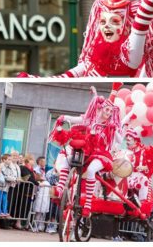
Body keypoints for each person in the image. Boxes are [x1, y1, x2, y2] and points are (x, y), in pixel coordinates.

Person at [18, 0, 153, 78]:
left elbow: (146, 12)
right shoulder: (97, 53)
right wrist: (32, 77)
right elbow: (72, 73)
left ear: (126, 25)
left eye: (115, 21)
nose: (107, 26)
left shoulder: (129, 50)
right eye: (103, 21)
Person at [51, 83, 122, 217]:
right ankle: (60, 189)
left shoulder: (110, 126)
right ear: (100, 109)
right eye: (106, 110)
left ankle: (88, 204)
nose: (108, 113)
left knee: (91, 170)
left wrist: (114, 128)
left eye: (111, 111)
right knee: (67, 160)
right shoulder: (90, 120)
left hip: (101, 155)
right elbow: (76, 119)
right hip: (87, 153)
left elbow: (119, 139)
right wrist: (63, 118)